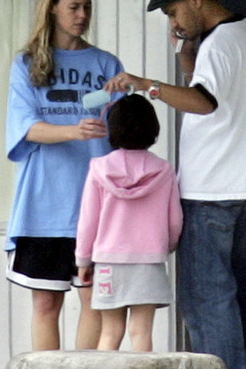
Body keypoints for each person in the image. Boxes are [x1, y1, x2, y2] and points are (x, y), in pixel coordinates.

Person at [105, 0, 246, 369]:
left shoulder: (221, 42)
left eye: (174, 13)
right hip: (243, 187)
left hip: (210, 191)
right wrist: (183, 48)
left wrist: (148, 86)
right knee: (236, 295)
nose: (174, 22)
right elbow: (201, 82)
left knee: (207, 300)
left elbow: (204, 100)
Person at [4, 0, 124, 351]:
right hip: (43, 203)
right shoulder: (26, 65)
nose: (82, 14)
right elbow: (25, 129)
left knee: (94, 302)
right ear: (52, 8)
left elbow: (125, 132)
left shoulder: (106, 64)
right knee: (45, 301)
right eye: (74, 6)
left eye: (87, 6)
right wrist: (75, 130)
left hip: (96, 203)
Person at [75, 94, 183, 352]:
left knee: (110, 333)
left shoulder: (99, 168)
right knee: (141, 331)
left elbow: (88, 218)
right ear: (153, 129)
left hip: (109, 263)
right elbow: (175, 219)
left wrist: (83, 260)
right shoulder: (164, 170)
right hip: (149, 262)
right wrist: (164, 246)